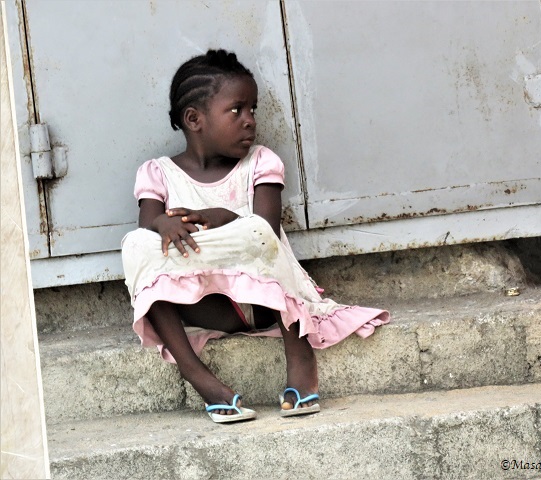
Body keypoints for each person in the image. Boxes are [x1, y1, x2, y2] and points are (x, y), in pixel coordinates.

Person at [121, 49, 389, 423]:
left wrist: (219, 217)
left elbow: (265, 229)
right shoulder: (158, 173)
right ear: (194, 119)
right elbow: (148, 221)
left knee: (257, 231)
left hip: (266, 303)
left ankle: (300, 356)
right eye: (237, 110)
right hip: (209, 308)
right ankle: (196, 374)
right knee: (137, 245)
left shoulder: (261, 162)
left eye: (253, 110)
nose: (250, 121)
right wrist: (163, 224)